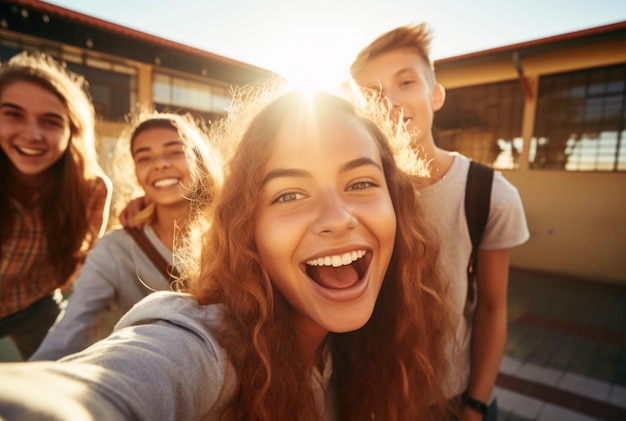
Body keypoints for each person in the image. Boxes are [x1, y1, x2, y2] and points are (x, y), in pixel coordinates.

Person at [0, 84, 455, 420]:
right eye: (289, 194)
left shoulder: (370, 340)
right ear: (245, 229)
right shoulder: (209, 343)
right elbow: (113, 381)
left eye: (360, 183)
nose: (337, 218)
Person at [349, 23, 530, 420]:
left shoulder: (487, 193)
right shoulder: (347, 193)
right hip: (369, 397)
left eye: (405, 82)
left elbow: (492, 309)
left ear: (436, 94)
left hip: (452, 399)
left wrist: (475, 405)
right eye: (372, 94)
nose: (391, 102)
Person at [30, 112, 223, 361]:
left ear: (198, 158)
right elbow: (72, 327)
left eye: (175, 151)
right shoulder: (114, 249)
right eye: (144, 157)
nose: (160, 164)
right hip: (152, 379)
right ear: (136, 173)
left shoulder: (233, 232)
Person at [0, 51, 111, 360]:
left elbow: (78, 263)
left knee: (72, 372)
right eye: (13, 114)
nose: (32, 135)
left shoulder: (91, 188)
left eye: (51, 121)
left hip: (36, 304)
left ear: (71, 131)